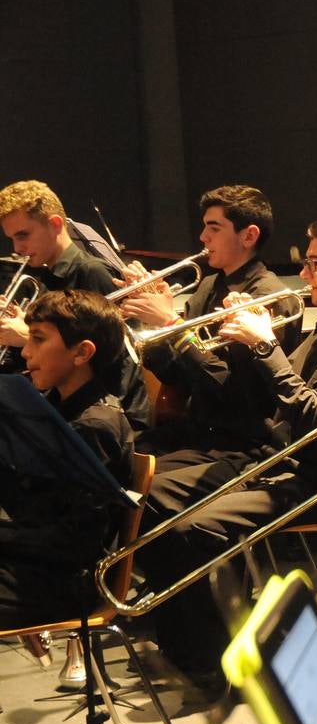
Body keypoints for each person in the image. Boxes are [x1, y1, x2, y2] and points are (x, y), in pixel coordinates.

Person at [135, 216, 317, 688]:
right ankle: (191, 639)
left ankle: (217, 660)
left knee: (195, 527)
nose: (305, 274)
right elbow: (260, 397)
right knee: (150, 497)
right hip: (275, 458)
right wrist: (237, 336)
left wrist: (264, 347)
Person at [121, 185, 299, 454]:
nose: (203, 237)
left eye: (214, 228)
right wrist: (155, 325)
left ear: (249, 236)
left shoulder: (268, 297)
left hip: (240, 441)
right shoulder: (207, 286)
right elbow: (174, 375)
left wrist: (173, 324)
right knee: (117, 455)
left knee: (145, 483)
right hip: (198, 428)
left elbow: (231, 391)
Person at [0, 290, 133, 629]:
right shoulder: (52, 406)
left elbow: (74, 542)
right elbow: (31, 504)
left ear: (82, 353)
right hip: (33, 562)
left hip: (60, 583)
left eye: (38, 340)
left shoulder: (95, 425)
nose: (26, 352)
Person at [0, 180, 149, 430]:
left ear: (55, 224)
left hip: (103, 416)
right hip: (61, 403)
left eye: (23, 235)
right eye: (11, 239)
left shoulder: (92, 273)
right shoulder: (40, 275)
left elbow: (114, 358)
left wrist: (28, 337)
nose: (17, 248)